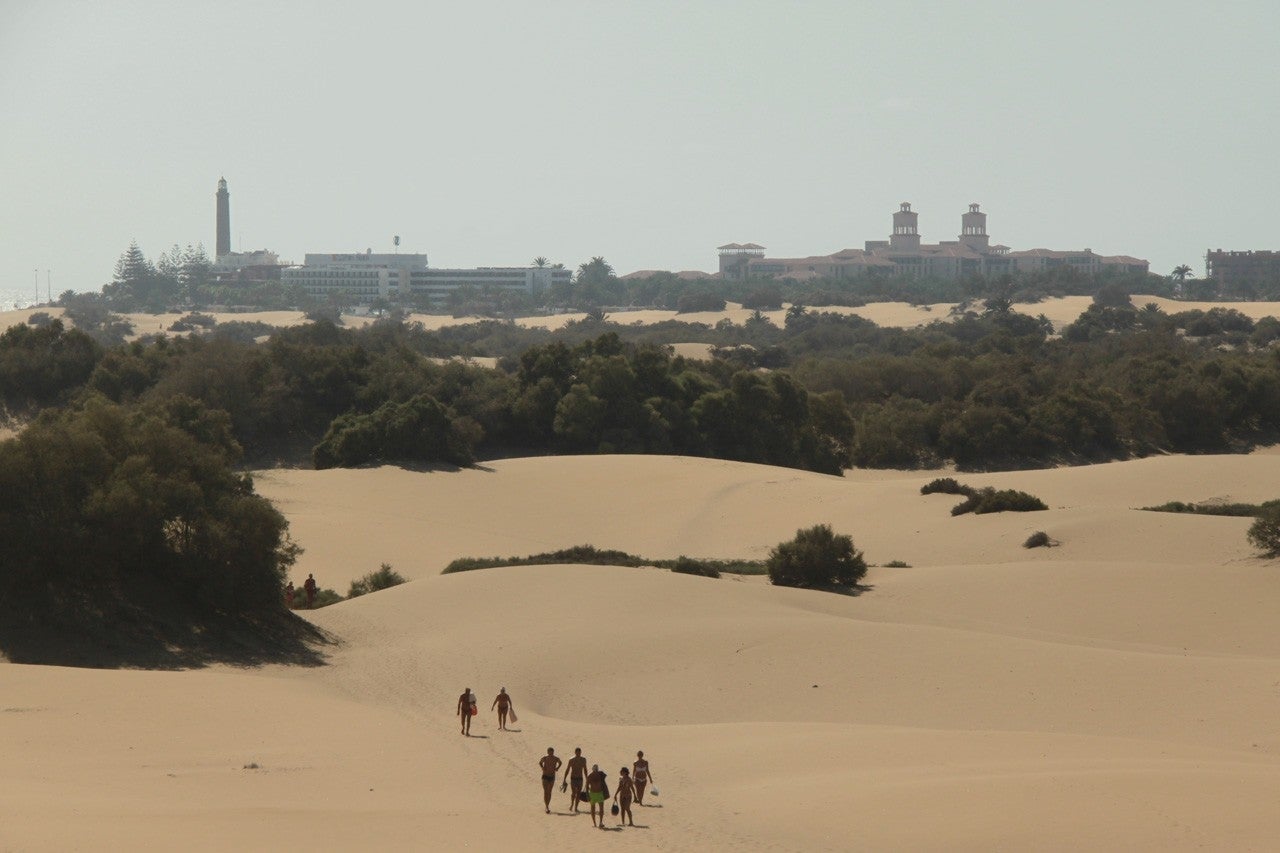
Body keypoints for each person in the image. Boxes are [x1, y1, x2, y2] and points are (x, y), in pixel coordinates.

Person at [562, 747, 588, 812]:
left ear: (580, 752)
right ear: (575, 752)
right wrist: (564, 779)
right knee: (573, 793)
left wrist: (587, 778)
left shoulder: (583, 760)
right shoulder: (571, 760)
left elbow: (585, 769)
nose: (578, 753)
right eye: (577, 752)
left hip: (580, 778)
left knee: (578, 794)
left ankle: (576, 807)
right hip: (573, 778)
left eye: (579, 752)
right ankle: (572, 804)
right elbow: (567, 769)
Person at [538, 748, 562, 814]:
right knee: (546, 791)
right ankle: (547, 806)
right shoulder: (545, 758)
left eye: (552, 752)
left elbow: (560, 762)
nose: (551, 753)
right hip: (545, 776)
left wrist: (557, 768)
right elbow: (540, 762)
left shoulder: (556, 758)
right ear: (547, 752)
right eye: (549, 752)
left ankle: (548, 805)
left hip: (552, 776)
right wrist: (542, 767)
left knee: (550, 791)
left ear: (553, 752)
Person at [585, 764, 608, 829]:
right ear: (592, 769)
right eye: (595, 769)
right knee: (593, 809)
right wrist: (587, 796)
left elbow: (604, 777)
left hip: (600, 793)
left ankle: (600, 822)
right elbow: (586, 787)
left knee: (601, 809)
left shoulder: (600, 775)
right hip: (593, 794)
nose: (596, 770)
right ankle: (594, 823)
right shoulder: (590, 776)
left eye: (596, 769)